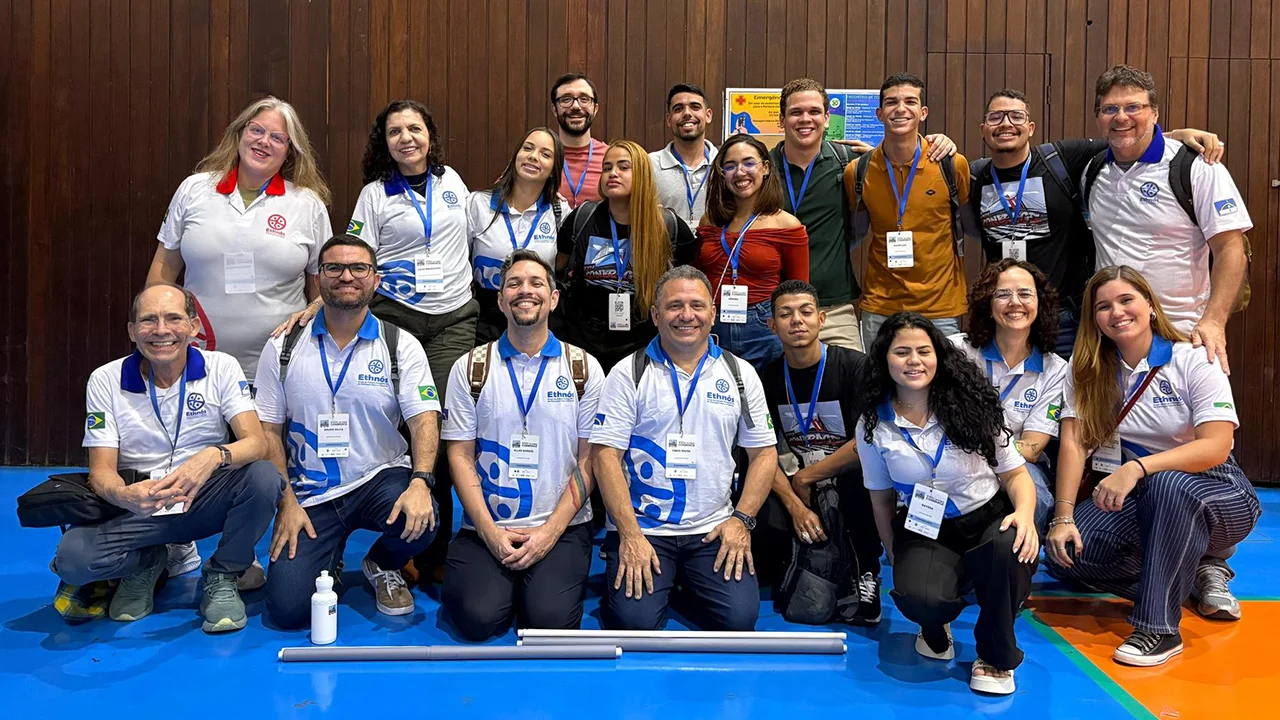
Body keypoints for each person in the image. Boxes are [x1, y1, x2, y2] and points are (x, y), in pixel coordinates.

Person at [147, 97, 329, 581]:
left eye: (278, 137)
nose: (264, 142)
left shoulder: (306, 204)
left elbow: (321, 287)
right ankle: (173, 546)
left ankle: (260, 552)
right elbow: (164, 270)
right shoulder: (195, 190)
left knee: (268, 462)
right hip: (199, 360)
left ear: (290, 150)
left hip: (277, 363)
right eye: (257, 130)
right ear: (239, 133)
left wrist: (312, 313)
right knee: (194, 454)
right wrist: (158, 331)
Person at [1045, 265, 1260, 667]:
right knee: (1070, 553)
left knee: (1168, 485)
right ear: (1094, 318)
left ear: (1149, 304)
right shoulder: (1086, 368)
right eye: (1103, 306)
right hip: (1140, 493)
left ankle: (1158, 628)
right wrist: (1063, 517)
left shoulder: (1193, 358)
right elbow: (1074, 443)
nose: (1117, 312)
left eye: (1126, 300)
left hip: (1216, 489)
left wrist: (1138, 468)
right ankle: (1189, 575)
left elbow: (1216, 446)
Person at [54, 283, 281, 633]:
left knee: (264, 477)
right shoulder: (105, 379)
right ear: (132, 331)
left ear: (193, 326)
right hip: (140, 505)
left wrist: (213, 455)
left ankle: (222, 574)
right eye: (149, 320)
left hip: (202, 497)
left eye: (173, 318)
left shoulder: (222, 367)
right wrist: (123, 495)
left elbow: (257, 443)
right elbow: (101, 472)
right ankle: (148, 562)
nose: (161, 330)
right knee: (72, 561)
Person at [256, 236, 441, 628]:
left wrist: (421, 482)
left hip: (379, 479)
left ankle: (383, 563)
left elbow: (425, 419)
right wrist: (286, 503)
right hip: (311, 491)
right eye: (334, 268)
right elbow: (268, 430)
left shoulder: (400, 345)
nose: (346, 276)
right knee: (289, 611)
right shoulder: (283, 346)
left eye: (359, 268)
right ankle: (328, 560)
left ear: (375, 279)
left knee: (424, 518)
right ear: (318, 278)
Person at [857, 312, 1039, 695]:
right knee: (918, 596)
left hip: (987, 516)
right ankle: (934, 625)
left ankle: (995, 656)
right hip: (925, 526)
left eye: (924, 351)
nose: (914, 361)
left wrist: (1025, 514)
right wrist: (894, 552)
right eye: (902, 352)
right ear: (885, 359)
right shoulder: (873, 423)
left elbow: (1015, 475)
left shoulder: (972, 403)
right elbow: (880, 497)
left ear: (938, 355)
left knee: (1011, 547)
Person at [589, 266, 778, 631]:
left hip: (712, 528)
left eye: (697, 305)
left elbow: (764, 454)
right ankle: (662, 579)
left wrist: (741, 520)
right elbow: (605, 456)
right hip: (645, 528)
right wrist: (629, 533)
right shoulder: (628, 373)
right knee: (635, 623)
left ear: (713, 313)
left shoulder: (740, 374)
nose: (686, 315)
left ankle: (680, 581)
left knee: (739, 620)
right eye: (674, 306)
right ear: (656, 315)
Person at [970, 88, 1223, 356]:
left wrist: (1179, 134)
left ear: (1031, 128)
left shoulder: (1060, 158)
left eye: (1016, 116)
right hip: (1006, 314)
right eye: (996, 117)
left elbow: (1128, 141)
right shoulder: (974, 176)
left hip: (1065, 318)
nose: (1006, 124)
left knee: (1070, 383)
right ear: (983, 129)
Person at [338, 99, 475, 582]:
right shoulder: (374, 194)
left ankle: (435, 549)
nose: (406, 138)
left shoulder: (453, 182)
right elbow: (355, 254)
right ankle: (404, 537)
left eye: (414, 128)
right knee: (403, 430)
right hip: (397, 316)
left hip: (453, 320)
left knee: (440, 428)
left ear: (429, 136)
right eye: (395, 131)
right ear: (385, 143)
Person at [440, 250, 605, 640]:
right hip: (488, 523)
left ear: (554, 298)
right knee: (477, 619)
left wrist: (548, 533)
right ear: (500, 300)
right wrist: (490, 533)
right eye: (513, 284)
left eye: (536, 283)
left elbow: (589, 461)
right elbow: (459, 456)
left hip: (562, 525)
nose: (524, 291)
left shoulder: (584, 369)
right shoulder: (470, 368)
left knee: (550, 623)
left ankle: (533, 584)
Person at [1083, 65, 1251, 375]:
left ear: (1155, 113)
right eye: (1110, 109)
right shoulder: (1092, 170)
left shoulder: (1196, 167)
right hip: (1111, 341)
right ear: (1098, 117)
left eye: (1134, 107)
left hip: (1181, 337)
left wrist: (1214, 322)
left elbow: (1231, 248)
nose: (1121, 117)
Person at [771, 77, 956, 352]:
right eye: (796, 112)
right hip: (774, 305)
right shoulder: (762, 169)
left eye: (814, 111)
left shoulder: (850, 163)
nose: (805, 119)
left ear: (826, 118)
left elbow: (894, 163)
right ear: (782, 120)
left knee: (856, 374)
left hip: (833, 306)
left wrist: (939, 141)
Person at [757, 280, 882, 623]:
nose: (797, 320)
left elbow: (865, 441)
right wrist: (795, 505)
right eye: (785, 314)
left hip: (845, 472)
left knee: (860, 480)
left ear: (822, 319)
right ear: (772, 325)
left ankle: (867, 571)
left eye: (806, 311)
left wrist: (808, 477)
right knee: (763, 516)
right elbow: (761, 451)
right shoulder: (767, 377)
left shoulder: (854, 366)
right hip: (798, 481)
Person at [849, 73, 972, 349]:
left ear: (923, 112)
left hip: (940, 305)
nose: (900, 109)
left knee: (945, 376)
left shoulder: (951, 165)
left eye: (910, 101)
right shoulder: (858, 171)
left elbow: (968, 223)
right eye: (891, 102)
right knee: (878, 375)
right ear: (879, 114)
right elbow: (855, 231)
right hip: (880, 304)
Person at [556, 140, 698, 372]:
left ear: (642, 174)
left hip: (645, 343)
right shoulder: (582, 218)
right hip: (585, 341)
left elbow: (689, 283)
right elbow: (559, 269)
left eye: (623, 167)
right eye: (607, 167)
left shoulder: (669, 227)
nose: (613, 173)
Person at [951, 259, 1069, 534]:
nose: (1015, 302)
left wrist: (984, 454)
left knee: (1037, 496)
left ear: (1040, 304)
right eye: (1003, 294)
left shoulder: (1055, 369)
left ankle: (1020, 555)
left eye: (1025, 294)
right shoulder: (958, 352)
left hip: (1019, 464)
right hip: (956, 457)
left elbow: (1033, 447)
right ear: (988, 305)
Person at [695, 134, 808, 371]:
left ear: (765, 168)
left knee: (764, 392)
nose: (740, 172)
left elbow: (798, 291)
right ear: (722, 174)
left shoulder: (786, 225)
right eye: (730, 166)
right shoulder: (710, 221)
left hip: (764, 327)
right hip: (713, 324)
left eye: (748, 163)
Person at [467, 128, 571, 344]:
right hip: (487, 316)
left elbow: (561, 264)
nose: (533, 156)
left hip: (537, 314)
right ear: (516, 156)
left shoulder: (560, 211)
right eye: (528, 148)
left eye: (545, 154)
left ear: (554, 169)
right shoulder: (478, 204)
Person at [649, 83, 718, 228]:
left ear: (708, 116)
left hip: (716, 243)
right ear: (669, 120)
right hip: (667, 243)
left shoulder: (725, 163)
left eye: (695, 107)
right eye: (678, 109)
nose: (687, 113)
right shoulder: (648, 164)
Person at [551, 73, 609, 209]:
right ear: (554, 109)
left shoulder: (611, 158)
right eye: (566, 99)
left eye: (584, 99)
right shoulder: (536, 157)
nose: (576, 106)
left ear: (595, 109)